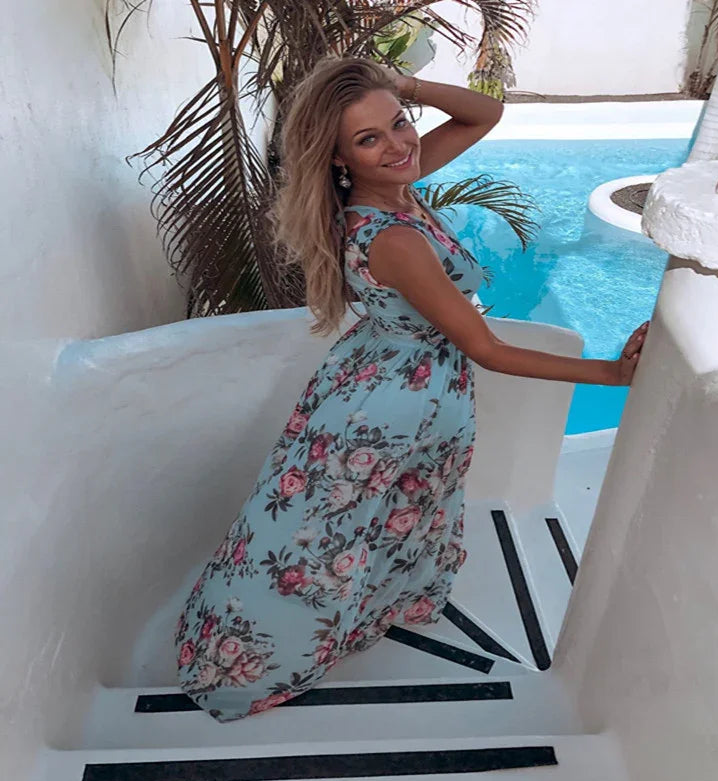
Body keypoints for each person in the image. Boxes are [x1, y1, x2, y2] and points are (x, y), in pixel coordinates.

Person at [174, 57, 648, 721]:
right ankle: (250, 661)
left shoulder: (392, 187)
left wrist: (399, 86)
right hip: (397, 403)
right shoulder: (394, 236)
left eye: (399, 123)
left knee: (356, 516)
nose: (398, 144)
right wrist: (612, 375)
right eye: (368, 138)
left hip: (375, 380)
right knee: (325, 535)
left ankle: (355, 609)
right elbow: (486, 348)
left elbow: (486, 113)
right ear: (339, 158)